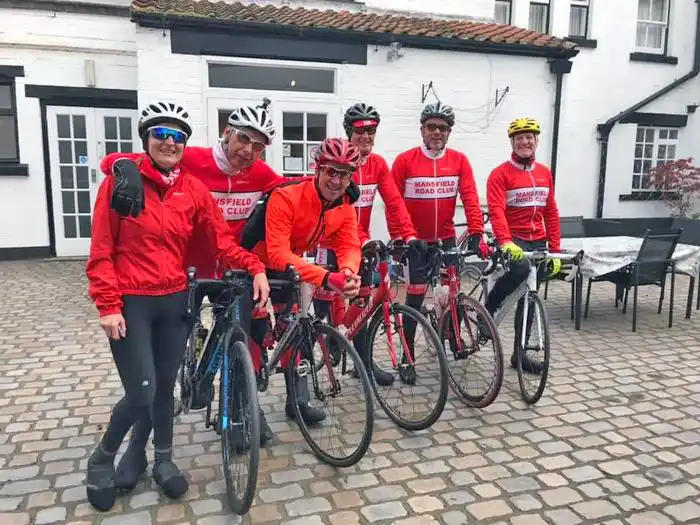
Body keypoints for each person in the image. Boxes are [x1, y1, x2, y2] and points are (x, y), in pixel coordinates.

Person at [85, 101, 270, 512]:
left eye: (177, 137)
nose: (169, 143)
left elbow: (222, 241)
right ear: (146, 139)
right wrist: (108, 304)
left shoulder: (192, 188)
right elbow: (100, 250)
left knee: (164, 388)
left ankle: (161, 459)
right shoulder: (121, 182)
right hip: (131, 302)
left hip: (175, 300)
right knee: (141, 391)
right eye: (160, 135)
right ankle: (102, 459)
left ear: (185, 144)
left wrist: (254, 266)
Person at [241, 137, 365, 423]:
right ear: (318, 169)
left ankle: (297, 400)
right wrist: (325, 278)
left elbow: (349, 244)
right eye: (331, 171)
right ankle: (245, 408)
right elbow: (276, 252)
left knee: (294, 328)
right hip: (256, 264)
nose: (337, 180)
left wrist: (347, 270)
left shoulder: (344, 205)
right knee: (255, 333)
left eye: (344, 173)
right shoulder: (287, 195)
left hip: (291, 265)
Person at [312, 103, 421, 387]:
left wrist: (408, 235)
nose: (366, 137)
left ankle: (363, 364)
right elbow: (340, 213)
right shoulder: (339, 165)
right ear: (349, 133)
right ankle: (316, 355)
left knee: (362, 303)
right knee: (321, 308)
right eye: (360, 132)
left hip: (361, 245)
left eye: (371, 132)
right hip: (329, 241)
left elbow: (394, 202)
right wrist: (363, 240)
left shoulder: (378, 165)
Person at [391, 101, 488, 384]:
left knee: (452, 292)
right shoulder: (405, 160)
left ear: (449, 132)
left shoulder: (459, 160)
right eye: (431, 127)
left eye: (443, 128)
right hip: (416, 242)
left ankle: (454, 338)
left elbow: (470, 197)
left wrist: (476, 230)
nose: (437, 132)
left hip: (445, 238)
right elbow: (393, 204)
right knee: (414, 298)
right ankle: (407, 358)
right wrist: (400, 238)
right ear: (422, 129)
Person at [485, 117, 562, 374]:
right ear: (513, 142)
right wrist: (505, 242)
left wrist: (556, 249)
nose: (525, 142)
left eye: (529, 137)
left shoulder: (544, 173)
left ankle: (520, 354)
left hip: (538, 240)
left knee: (529, 297)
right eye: (519, 138)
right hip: (513, 239)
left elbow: (550, 212)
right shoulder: (500, 174)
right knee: (518, 271)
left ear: (536, 140)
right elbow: (496, 211)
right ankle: (488, 311)